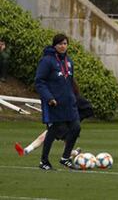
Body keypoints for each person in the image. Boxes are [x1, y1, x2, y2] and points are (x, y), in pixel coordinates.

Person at [35, 33, 81, 170]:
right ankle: (44, 161)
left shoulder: (69, 61)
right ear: (54, 45)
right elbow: (39, 82)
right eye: (60, 44)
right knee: (53, 130)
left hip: (68, 103)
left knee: (76, 127)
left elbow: (70, 81)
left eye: (65, 43)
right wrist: (49, 97)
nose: (63, 46)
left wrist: (74, 97)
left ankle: (65, 157)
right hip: (54, 102)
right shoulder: (47, 60)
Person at [14, 85, 94, 157]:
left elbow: (89, 110)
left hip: (69, 127)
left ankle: (77, 154)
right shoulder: (61, 97)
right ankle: (25, 151)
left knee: (65, 150)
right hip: (60, 124)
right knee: (43, 137)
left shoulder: (76, 99)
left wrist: (76, 118)